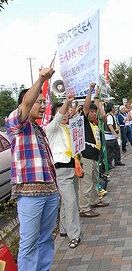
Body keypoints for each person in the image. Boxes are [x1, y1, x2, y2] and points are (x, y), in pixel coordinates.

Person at [5, 67, 59, 271]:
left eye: (45, 102)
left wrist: (55, 188)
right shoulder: (16, 124)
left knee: (46, 239)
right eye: (40, 101)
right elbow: (27, 102)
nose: (43, 105)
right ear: (25, 102)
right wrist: (41, 79)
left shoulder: (38, 129)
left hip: (50, 192)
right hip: (30, 194)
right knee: (28, 244)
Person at [45, 93, 81, 249]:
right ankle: (75, 235)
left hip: (72, 167)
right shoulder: (51, 129)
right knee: (71, 202)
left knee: (70, 201)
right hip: (60, 170)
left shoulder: (70, 128)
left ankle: (65, 230)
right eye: (62, 112)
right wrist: (67, 102)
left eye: (67, 111)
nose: (65, 114)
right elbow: (59, 117)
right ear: (54, 115)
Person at [78, 83, 109, 218]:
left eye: (95, 111)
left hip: (94, 156)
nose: (94, 113)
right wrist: (90, 90)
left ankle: (95, 200)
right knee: (86, 183)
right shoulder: (83, 122)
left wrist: (97, 94)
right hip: (86, 156)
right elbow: (86, 107)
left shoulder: (94, 123)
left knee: (95, 181)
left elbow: (100, 109)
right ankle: (84, 208)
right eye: (92, 111)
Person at [104, 102, 123, 167]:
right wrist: (115, 134)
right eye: (114, 107)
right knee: (110, 152)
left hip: (112, 137)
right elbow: (110, 125)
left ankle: (117, 161)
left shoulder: (112, 115)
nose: (115, 108)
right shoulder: (109, 116)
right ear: (112, 108)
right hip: (109, 137)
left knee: (116, 149)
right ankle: (109, 164)